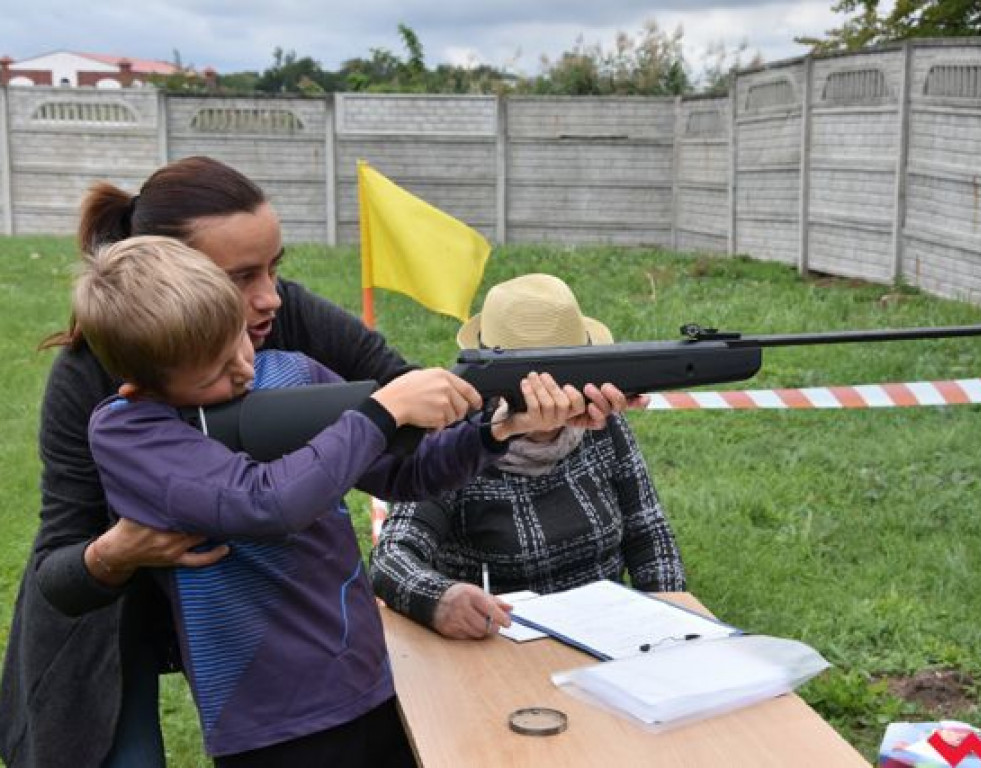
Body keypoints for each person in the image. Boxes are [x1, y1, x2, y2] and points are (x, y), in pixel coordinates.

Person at [0, 156, 628, 768]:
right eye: (242, 278)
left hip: (352, 670)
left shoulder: (288, 359)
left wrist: (507, 424)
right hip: (219, 675)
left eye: (274, 269)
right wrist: (120, 550)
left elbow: (408, 451)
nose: (268, 302)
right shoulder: (116, 412)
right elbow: (271, 497)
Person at [370, 274, 687, 640]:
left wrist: (673, 625)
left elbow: (649, 535)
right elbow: (391, 558)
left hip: (612, 640)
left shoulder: (603, 424)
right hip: (497, 649)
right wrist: (441, 598)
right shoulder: (454, 439)